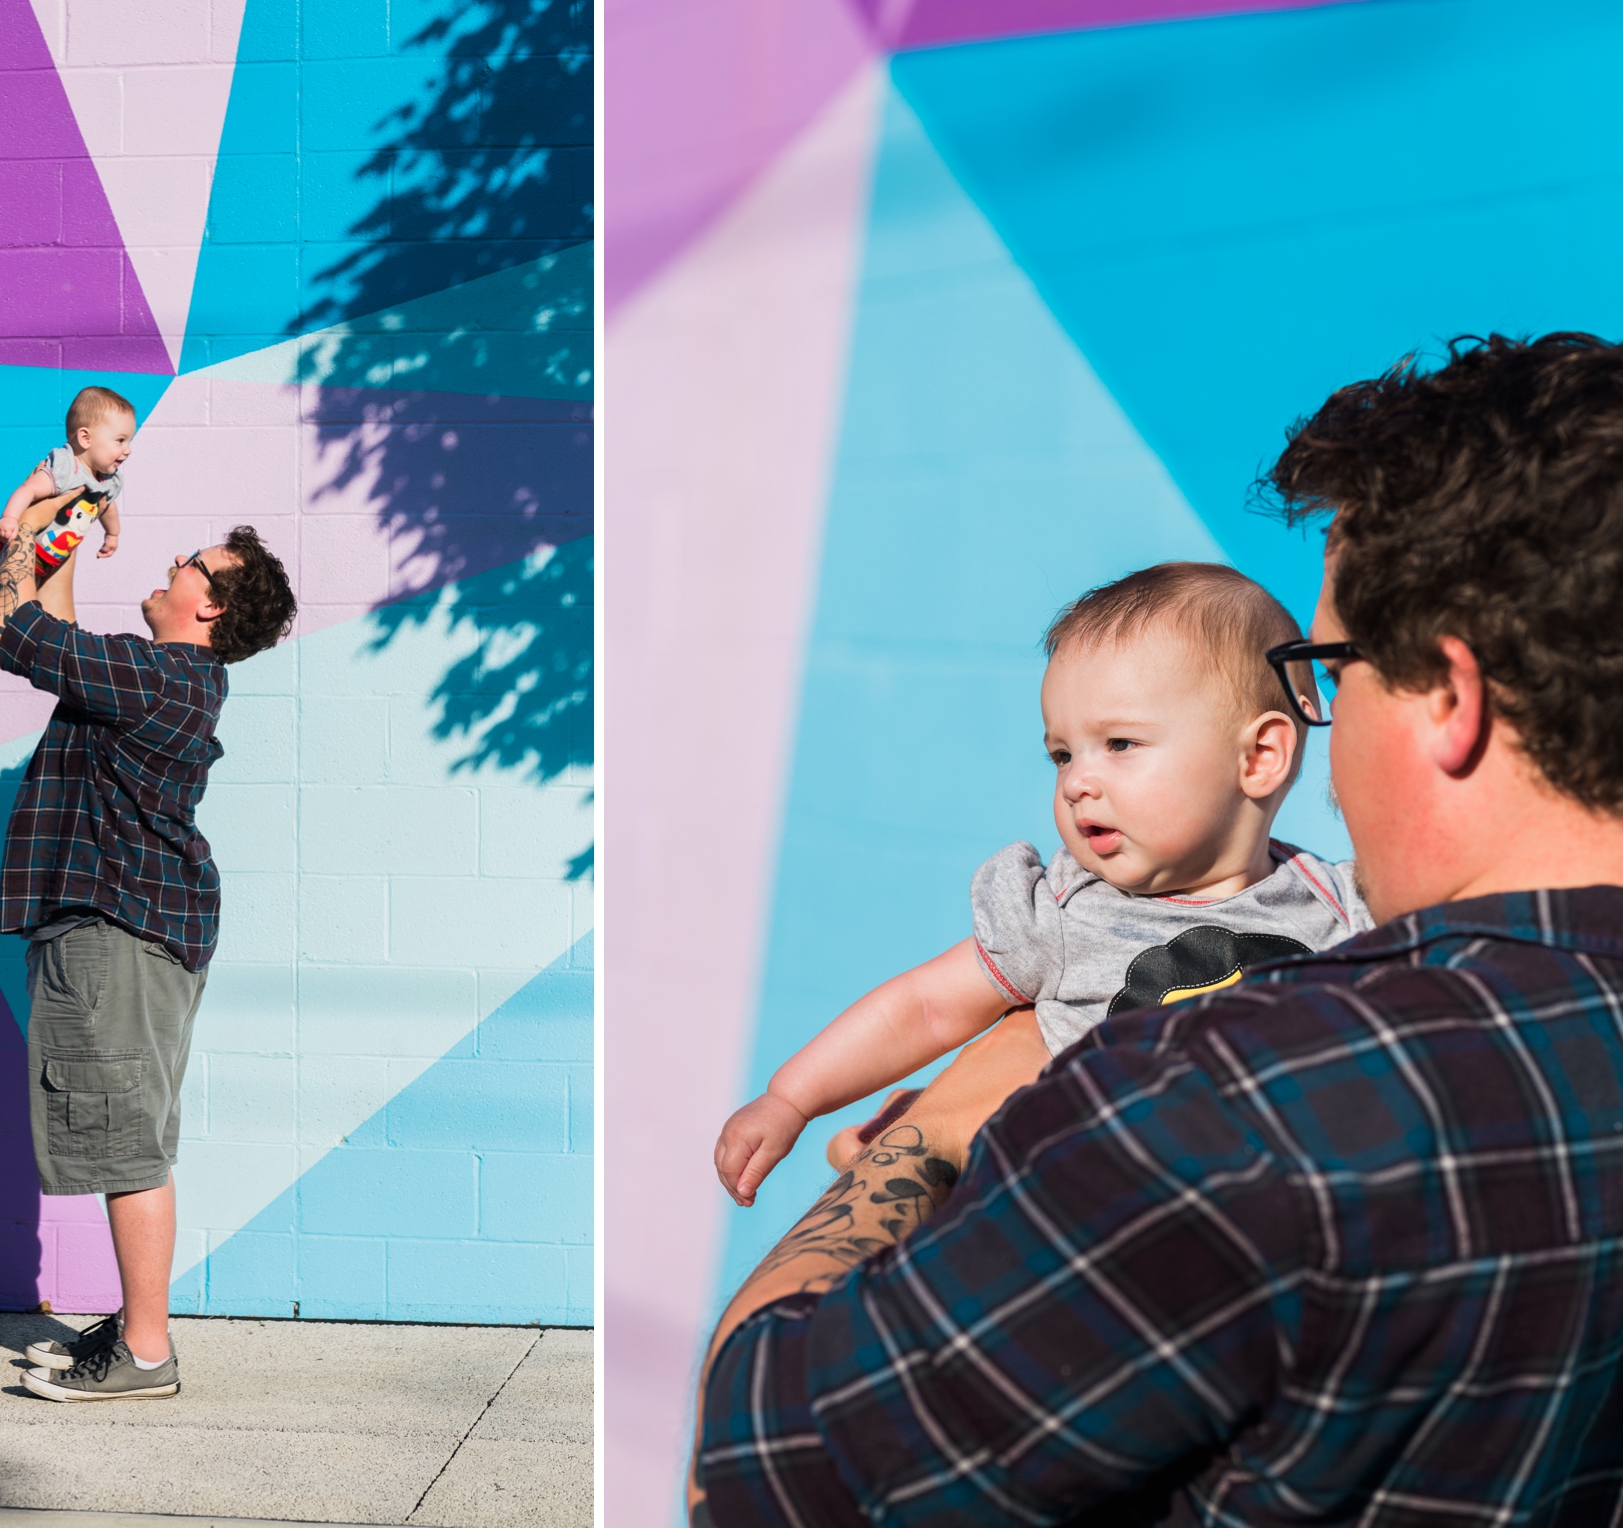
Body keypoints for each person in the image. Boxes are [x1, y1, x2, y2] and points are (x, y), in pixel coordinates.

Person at [694, 332, 1623, 1523]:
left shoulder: (1234, 1112)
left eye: (1330, 669)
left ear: (1446, 697)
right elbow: (931, 994)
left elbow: (764, 1471)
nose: (1327, 723)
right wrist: (793, 1092)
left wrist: (923, 1137)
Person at [713, 563, 1369, 1210]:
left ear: (1258, 757)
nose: (1077, 780)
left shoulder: (1341, 907)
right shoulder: (1061, 912)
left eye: (1120, 743)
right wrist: (792, 1097)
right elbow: (926, 1006)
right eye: (1063, 753)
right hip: (1088, 1218)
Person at [0, 509, 295, 1401]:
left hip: (115, 927)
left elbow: (15, 628)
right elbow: (66, 636)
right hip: (137, 927)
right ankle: (137, 1328)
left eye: (193, 562)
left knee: (127, 1149)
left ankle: (146, 1354)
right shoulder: (157, 677)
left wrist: (29, 526)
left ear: (210, 608)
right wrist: (68, 535)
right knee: (135, 1138)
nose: (174, 561)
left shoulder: (160, 677)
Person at [0, 385, 134, 658]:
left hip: (42, 558)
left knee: (1, 600)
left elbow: (105, 506)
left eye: (129, 441)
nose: (128, 450)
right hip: (9, 541)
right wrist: (10, 518)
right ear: (85, 438)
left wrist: (113, 534)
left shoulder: (109, 478)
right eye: (120, 440)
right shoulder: (66, 468)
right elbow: (28, 488)